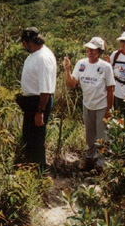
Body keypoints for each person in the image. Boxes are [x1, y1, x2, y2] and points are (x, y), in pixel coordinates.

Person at [63, 37, 116, 171]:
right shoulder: (81, 64)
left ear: (99, 52)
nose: (90, 52)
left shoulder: (105, 67)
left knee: (102, 136)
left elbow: (110, 89)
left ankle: (101, 163)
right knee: (89, 134)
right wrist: (67, 69)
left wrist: (109, 110)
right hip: (88, 105)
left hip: (102, 106)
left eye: (93, 50)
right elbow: (71, 84)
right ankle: (89, 158)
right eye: (88, 49)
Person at [18, 27, 57, 172]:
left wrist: (40, 110)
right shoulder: (35, 55)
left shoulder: (43, 57)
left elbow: (45, 88)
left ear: (29, 42)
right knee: (28, 137)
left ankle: (39, 171)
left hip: (39, 102)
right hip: (31, 102)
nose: (24, 46)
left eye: (24, 43)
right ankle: (30, 169)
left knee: (36, 139)